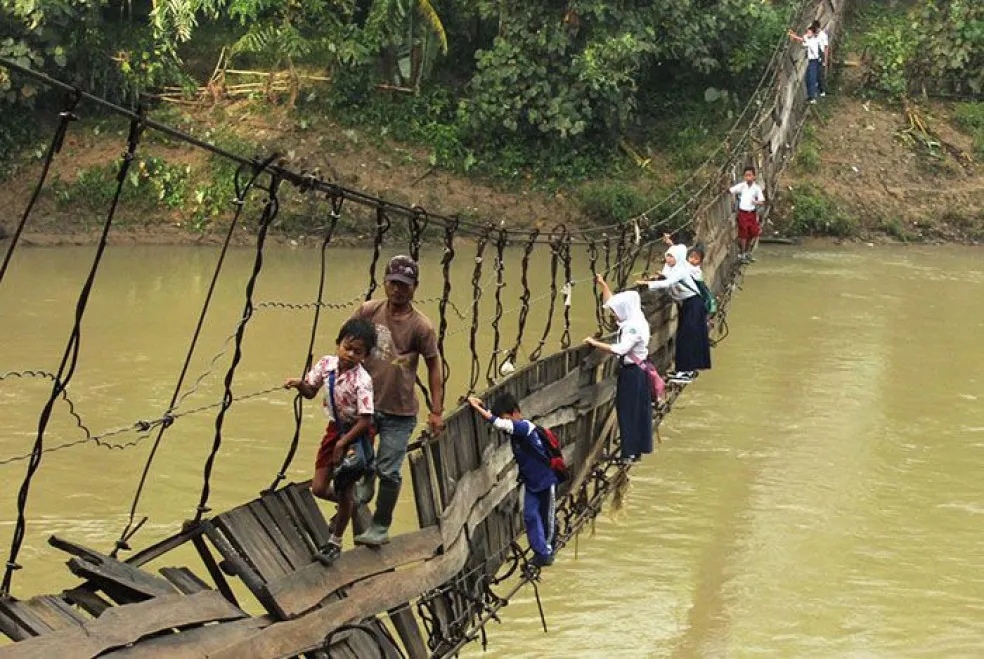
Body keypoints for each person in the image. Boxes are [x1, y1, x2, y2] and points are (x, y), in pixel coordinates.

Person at [351, 255, 445, 547]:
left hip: (400, 411)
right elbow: (346, 344)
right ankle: (365, 475)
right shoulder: (368, 311)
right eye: (393, 283)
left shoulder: (421, 327)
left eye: (405, 285)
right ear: (385, 282)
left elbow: (433, 365)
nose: (398, 290)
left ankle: (380, 526)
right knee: (360, 459)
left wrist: (437, 411)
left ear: (415, 287)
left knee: (389, 471)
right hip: (364, 404)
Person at [283, 318, 377, 565]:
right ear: (338, 344)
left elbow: (366, 420)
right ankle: (350, 504)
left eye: (358, 352)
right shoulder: (326, 364)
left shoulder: (363, 381)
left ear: (365, 356)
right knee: (319, 488)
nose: (350, 354)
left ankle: (335, 541)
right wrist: (299, 384)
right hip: (334, 429)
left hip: (356, 434)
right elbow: (312, 391)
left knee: (344, 485)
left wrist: (341, 445)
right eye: (347, 347)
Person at [467, 394, 558, 568]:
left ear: (516, 413)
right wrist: (483, 407)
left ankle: (547, 552)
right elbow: (498, 420)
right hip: (532, 482)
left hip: (546, 479)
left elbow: (500, 423)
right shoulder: (515, 429)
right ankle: (541, 552)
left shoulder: (525, 427)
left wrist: (476, 407)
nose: (506, 426)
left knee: (548, 517)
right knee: (530, 515)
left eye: (508, 419)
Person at [583, 275, 653, 463]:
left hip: (633, 373)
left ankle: (628, 452)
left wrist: (594, 343)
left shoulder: (632, 327)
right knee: (637, 410)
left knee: (628, 410)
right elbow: (612, 301)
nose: (613, 315)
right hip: (639, 369)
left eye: (615, 312)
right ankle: (635, 450)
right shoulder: (637, 318)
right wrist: (604, 285)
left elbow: (620, 349)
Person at [636, 244, 711, 384]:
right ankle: (685, 369)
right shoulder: (675, 269)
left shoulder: (681, 270)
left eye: (671, 256)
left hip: (693, 304)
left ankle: (685, 372)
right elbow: (667, 277)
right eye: (667, 256)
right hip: (688, 305)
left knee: (687, 337)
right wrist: (658, 276)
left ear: (678, 258)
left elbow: (668, 282)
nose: (668, 259)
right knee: (686, 337)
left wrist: (647, 284)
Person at [726, 166, 766, 263]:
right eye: (746, 175)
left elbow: (762, 201)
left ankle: (747, 252)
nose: (748, 177)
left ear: (754, 177)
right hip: (743, 213)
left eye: (750, 175)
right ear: (744, 177)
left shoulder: (756, 188)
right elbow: (730, 190)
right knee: (743, 234)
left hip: (752, 213)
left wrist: (755, 202)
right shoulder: (741, 186)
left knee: (754, 232)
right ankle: (743, 254)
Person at [788, 25, 823, 104]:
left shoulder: (813, 41)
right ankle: (811, 96)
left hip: (815, 61)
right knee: (808, 79)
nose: (807, 33)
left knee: (811, 79)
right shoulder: (812, 39)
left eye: (809, 32)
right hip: (812, 61)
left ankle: (812, 97)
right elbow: (803, 40)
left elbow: (802, 40)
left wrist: (793, 36)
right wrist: (794, 36)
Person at [811, 20, 831, 97]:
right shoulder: (813, 35)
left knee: (819, 74)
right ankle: (816, 90)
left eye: (815, 29)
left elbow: (826, 48)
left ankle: (822, 90)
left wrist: (825, 60)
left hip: (821, 55)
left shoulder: (823, 36)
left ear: (819, 28)